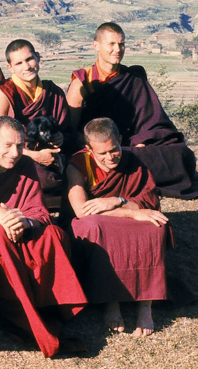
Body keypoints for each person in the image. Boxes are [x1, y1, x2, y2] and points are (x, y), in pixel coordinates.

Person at [0, 116, 87, 358]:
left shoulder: (25, 164)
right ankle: (19, 310)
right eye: (7, 145)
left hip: (20, 228)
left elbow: (38, 212)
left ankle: (51, 307)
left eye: (20, 145)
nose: (14, 152)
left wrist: (23, 221)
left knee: (54, 233)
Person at [66, 23, 198, 199]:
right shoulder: (83, 81)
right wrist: (99, 145)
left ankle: (118, 175)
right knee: (94, 158)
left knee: (182, 155)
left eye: (121, 44)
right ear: (96, 46)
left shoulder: (133, 78)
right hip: (99, 147)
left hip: (131, 146)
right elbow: (71, 130)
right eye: (111, 44)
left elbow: (151, 119)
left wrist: (143, 140)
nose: (117, 49)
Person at [65, 118, 171, 336]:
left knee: (155, 227)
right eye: (101, 154)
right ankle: (111, 301)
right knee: (96, 227)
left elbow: (148, 201)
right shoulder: (77, 165)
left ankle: (145, 304)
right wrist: (131, 212)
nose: (109, 158)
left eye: (114, 150)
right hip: (93, 221)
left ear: (120, 140)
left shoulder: (132, 161)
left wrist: (117, 200)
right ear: (88, 149)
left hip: (117, 213)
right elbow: (81, 211)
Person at [0, 40, 75, 200]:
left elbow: (66, 129)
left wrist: (60, 137)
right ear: (10, 67)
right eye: (19, 63)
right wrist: (33, 156)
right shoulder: (4, 93)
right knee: (44, 179)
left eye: (29, 59)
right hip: (18, 156)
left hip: (55, 154)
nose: (26, 66)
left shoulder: (53, 91)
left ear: (38, 57)